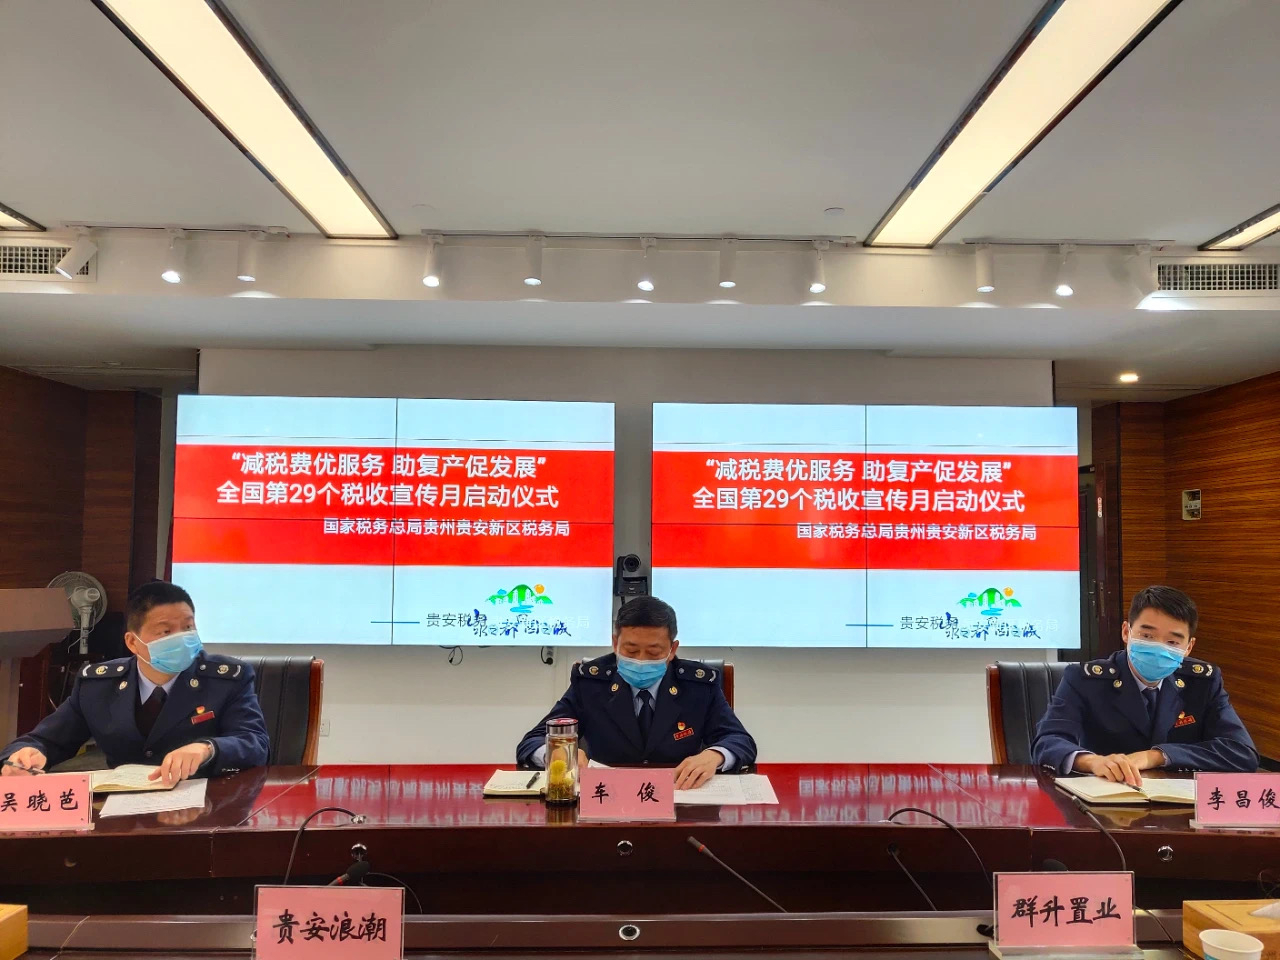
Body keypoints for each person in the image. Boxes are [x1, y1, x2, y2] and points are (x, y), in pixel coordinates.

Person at [2, 580, 269, 785]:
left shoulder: (226, 679)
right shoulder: (98, 685)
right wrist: (24, 755)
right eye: (166, 631)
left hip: (204, 806)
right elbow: (46, 740)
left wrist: (207, 749)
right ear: (132, 642)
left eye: (188, 627)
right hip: (119, 810)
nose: (182, 638)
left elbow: (255, 743)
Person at [516, 596, 756, 788]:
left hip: (680, 798)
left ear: (672, 649)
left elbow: (740, 740)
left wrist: (714, 755)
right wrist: (558, 754)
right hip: (606, 800)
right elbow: (532, 741)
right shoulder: (590, 683)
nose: (641, 660)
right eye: (631, 651)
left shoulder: (698, 686)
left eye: (653, 652)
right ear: (615, 643)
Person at [1033, 585, 1256, 784]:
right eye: (1147, 636)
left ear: (1189, 647)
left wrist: (1158, 756)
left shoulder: (1203, 682)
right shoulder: (1086, 680)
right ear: (1126, 632)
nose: (1158, 648)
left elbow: (1241, 752)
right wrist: (1093, 762)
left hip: (1176, 803)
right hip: (1104, 798)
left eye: (1172, 642)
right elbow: (1048, 742)